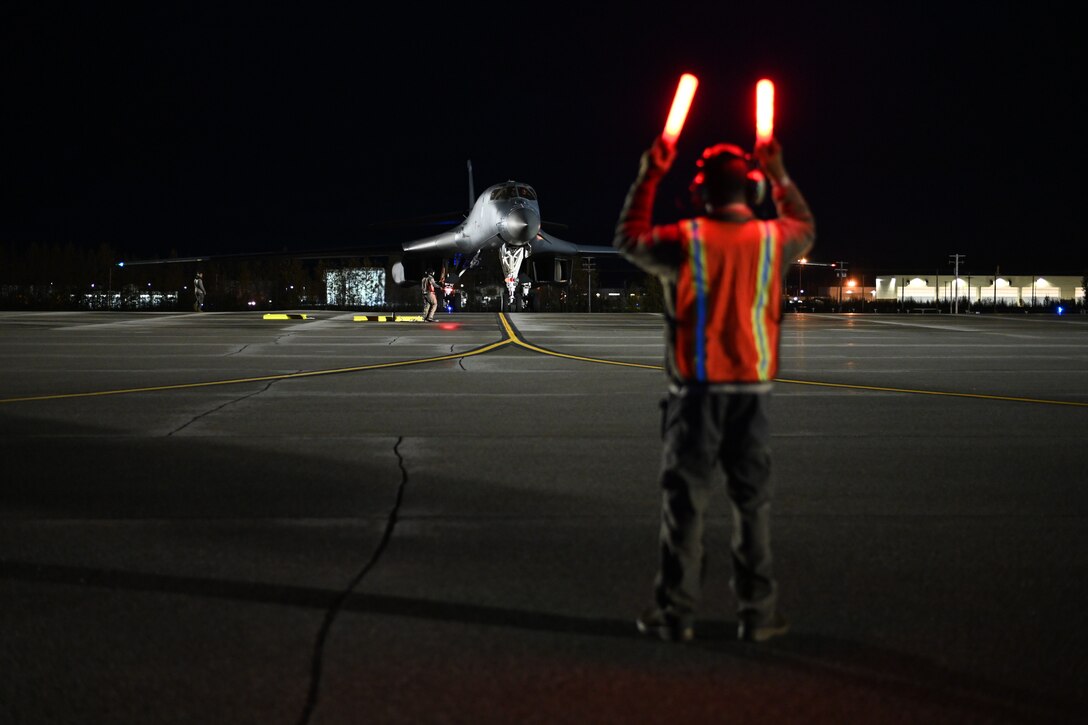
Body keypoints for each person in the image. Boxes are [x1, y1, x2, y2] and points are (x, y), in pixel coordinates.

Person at [613, 133, 815, 643]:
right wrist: (778, 172)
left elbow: (629, 238)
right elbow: (805, 225)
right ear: (751, 189)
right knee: (752, 506)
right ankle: (757, 613)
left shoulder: (686, 239)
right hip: (750, 397)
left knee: (684, 506)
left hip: (695, 397)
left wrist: (650, 173)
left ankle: (676, 612)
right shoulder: (774, 240)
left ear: (700, 192)